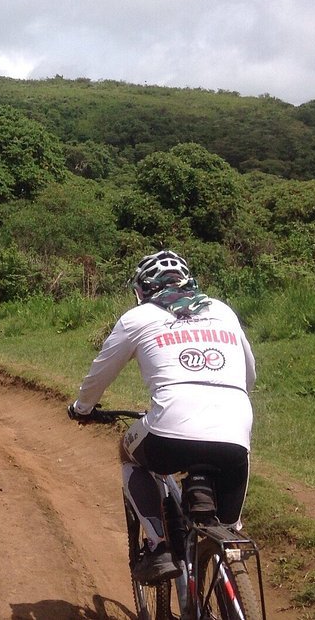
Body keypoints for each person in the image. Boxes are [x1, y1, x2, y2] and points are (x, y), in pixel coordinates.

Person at [68, 250, 256, 583]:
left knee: (129, 453)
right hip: (234, 431)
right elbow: (249, 375)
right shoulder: (222, 310)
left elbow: (99, 375)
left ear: (140, 290)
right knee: (228, 530)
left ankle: (157, 545)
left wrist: (82, 409)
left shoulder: (137, 319)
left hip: (168, 432)